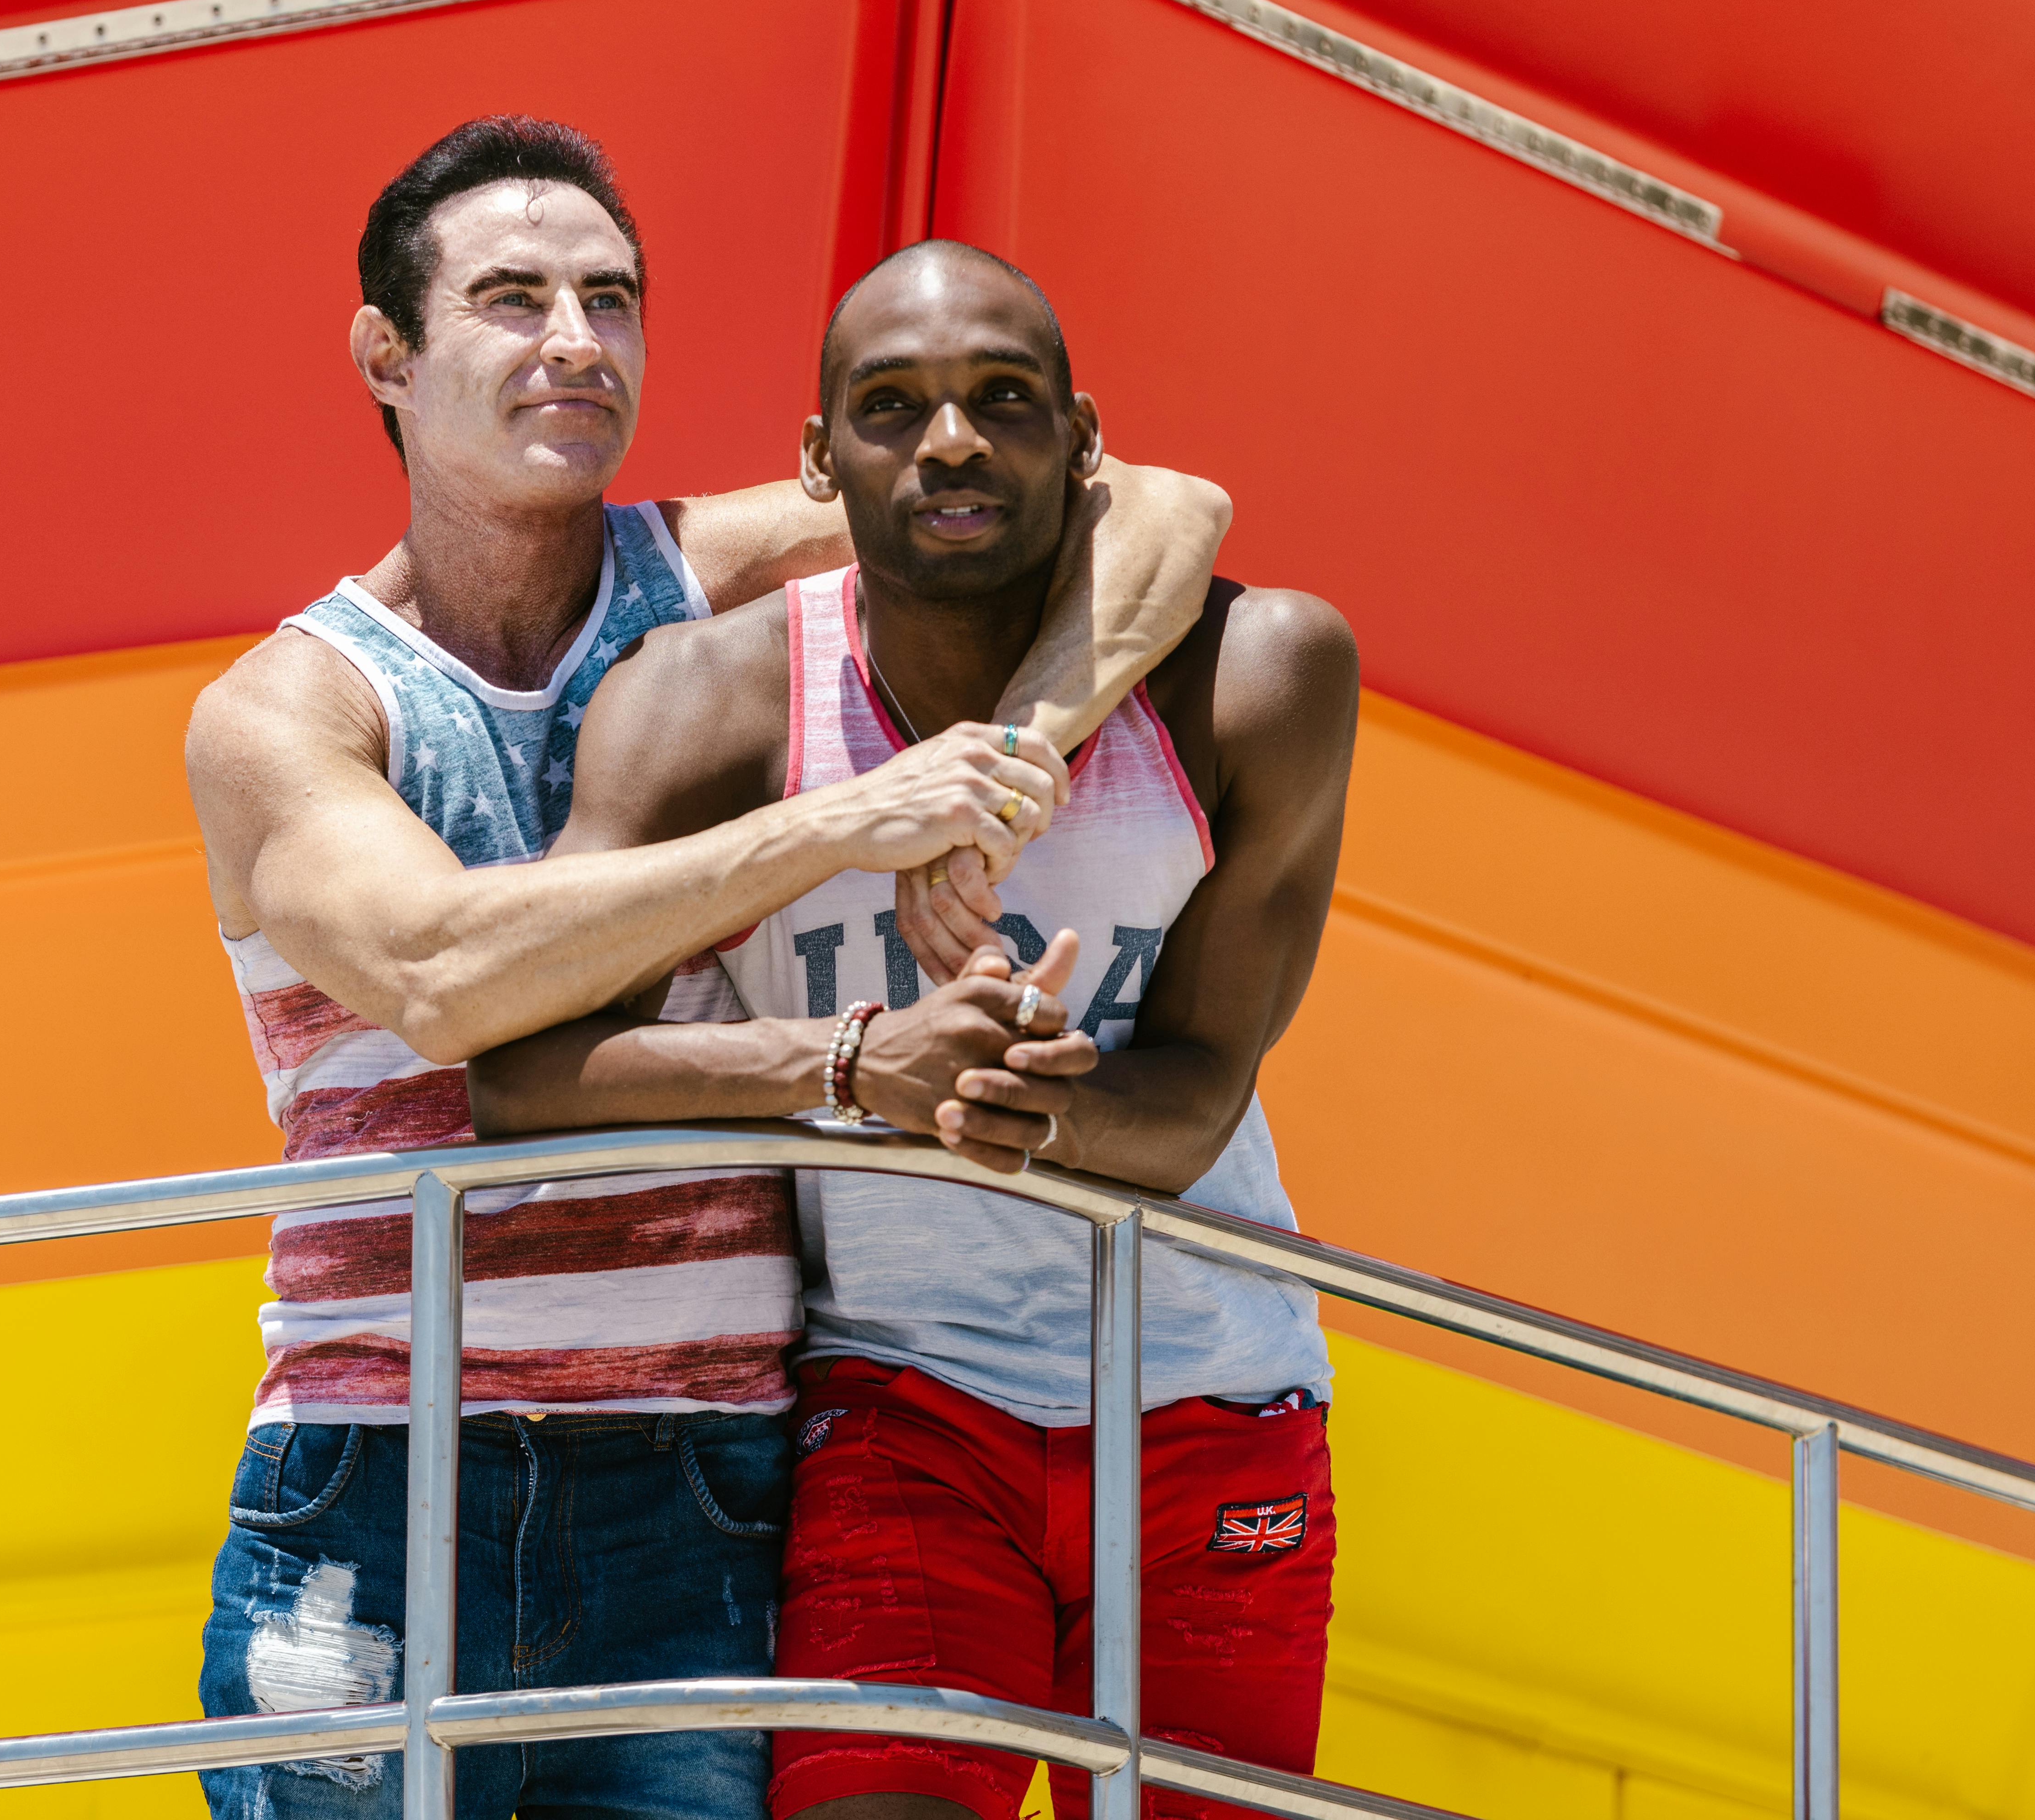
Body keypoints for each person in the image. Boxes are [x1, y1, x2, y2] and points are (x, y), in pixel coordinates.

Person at [186, 119, 1234, 1820]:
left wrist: (1007, 772)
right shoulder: (290, 713)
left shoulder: (706, 571)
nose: (574, 343)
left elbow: (1165, 506)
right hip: (377, 1485)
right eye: (512, 300)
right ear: (387, 353)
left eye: (612, 298)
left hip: (706, 1475)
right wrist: (849, 823)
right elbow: (451, 988)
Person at [468, 238, 1358, 1820]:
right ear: (823, 462)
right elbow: (521, 1071)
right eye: (894, 407)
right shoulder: (715, 707)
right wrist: (859, 1064)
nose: (951, 442)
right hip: (904, 1416)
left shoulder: (1256, 674)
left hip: (1219, 1413)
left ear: (1084, 443)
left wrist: (1030, 1101)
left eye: (1003, 401)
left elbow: (1203, 1094)